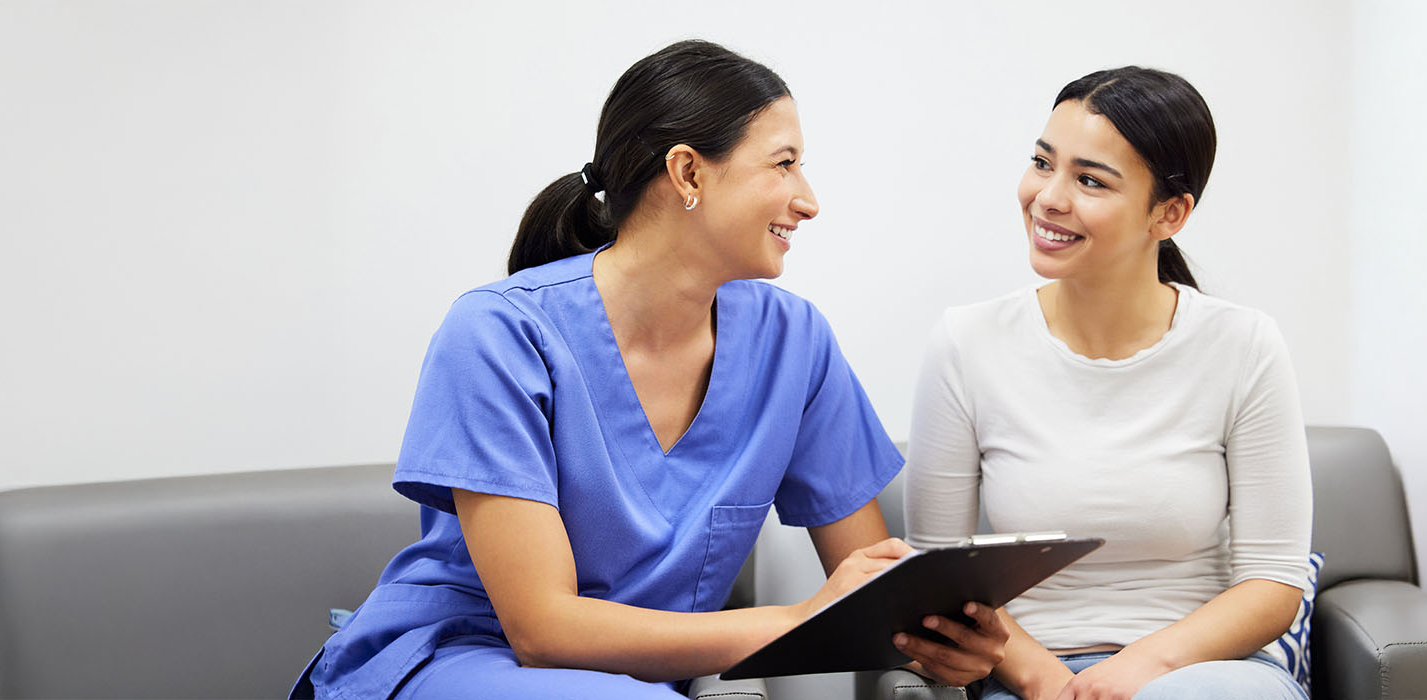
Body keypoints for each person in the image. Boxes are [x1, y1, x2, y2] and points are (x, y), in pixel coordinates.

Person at [293, 40, 1005, 700]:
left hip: (635, 683)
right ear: (689, 171)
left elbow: (870, 590)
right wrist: (799, 620)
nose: (808, 199)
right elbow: (542, 633)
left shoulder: (793, 341)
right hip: (467, 657)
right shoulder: (499, 334)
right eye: (784, 164)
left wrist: (934, 642)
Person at [902, 67, 1314, 700]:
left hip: (1201, 676)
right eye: (1044, 163)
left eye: (1090, 180)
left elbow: (1272, 583)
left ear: (1169, 214)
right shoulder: (967, 343)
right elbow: (939, 577)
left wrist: (1140, 670)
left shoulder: (1243, 345)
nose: (1048, 197)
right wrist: (1049, 684)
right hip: (1030, 675)